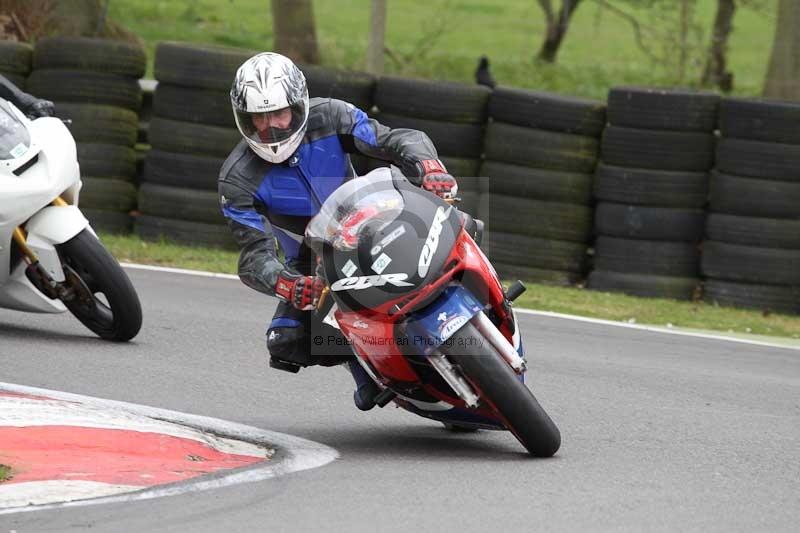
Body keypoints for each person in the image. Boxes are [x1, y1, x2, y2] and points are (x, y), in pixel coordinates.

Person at [218, 52, 458, 411]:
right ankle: (366, 369)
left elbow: (393, 140)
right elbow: (254, 256)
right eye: (259, 118)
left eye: (279, 113)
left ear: (298, 105)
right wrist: (285, 282)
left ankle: (479, 286)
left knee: (449, 213)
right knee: (285, 340)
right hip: (310, 256)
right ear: (243, 119)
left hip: (372, 214)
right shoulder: (236, 179)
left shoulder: (332, 115)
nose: (271, 128)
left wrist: (428, 165)